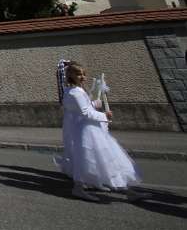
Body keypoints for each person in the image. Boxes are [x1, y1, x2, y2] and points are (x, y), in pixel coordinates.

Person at [55, 63, 147, 203]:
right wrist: (105, 116)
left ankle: (125, 190)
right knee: (94, 159)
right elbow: (85, 113)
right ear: (71, 76)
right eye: (79, 74)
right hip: (88, 131)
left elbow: (83, 108)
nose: (83, 77)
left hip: (90, 129)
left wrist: (95, 103)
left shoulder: (75, 91)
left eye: (84, 74)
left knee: (104, 159)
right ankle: (80, 188)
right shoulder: (74, 92)